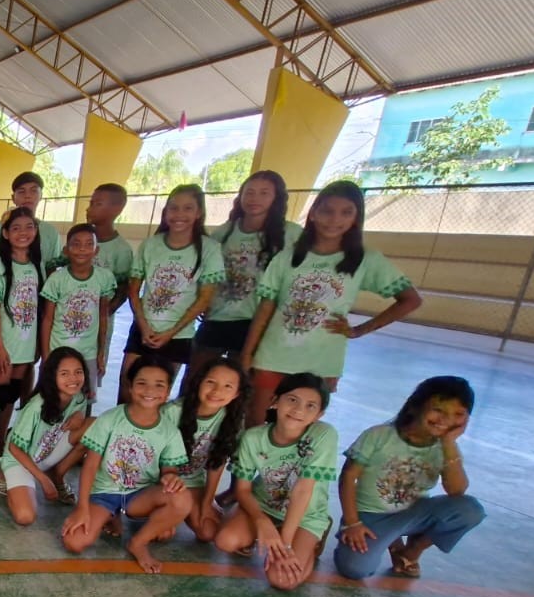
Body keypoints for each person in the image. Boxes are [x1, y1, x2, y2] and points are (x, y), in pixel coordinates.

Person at [241, 181, 423, 425]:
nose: (334, 219)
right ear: (314, 213)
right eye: (327, 210)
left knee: (298, 426)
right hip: (274, 355)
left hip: (321, 361)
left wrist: (359, 330)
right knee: (255, 421)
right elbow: (266, 309)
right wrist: (247, 354)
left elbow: (410, 300)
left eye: (346, 212)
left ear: (356, 217)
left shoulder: (365, 259)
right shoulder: (288, 256)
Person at [335, 376, 485, 580]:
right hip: (370, 517)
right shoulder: (379, 435)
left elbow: (457, 492)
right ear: (414, 407)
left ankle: (411, 551)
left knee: (470, 510)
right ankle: (392, 541)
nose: (446, 420)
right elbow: (348, 477)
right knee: (355, 569)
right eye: (438, 410)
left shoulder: (446, 448)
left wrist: (449, 443)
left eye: (458, 414)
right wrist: (352, 523)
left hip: (414, 513)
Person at [59, 356, 193, 573]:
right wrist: (82, 509)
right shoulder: (110, 419)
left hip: (140, 495)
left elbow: (169, 469)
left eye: (159, 385)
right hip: (103, 492)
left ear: (167, 392)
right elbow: (90, 466)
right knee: (74, 542)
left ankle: (138, 543)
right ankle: (110, 515)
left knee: (182, 499)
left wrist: (170, 477)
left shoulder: (170, 431)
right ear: (130, 387)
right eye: (142, 383)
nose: (149, 390)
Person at [213, 372, 339, 590]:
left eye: (311, 406)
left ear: (320, 414)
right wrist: (263, 522)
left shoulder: (323, 435)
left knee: (282, 581)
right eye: (292, 400)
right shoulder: (253, 437)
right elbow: (242, 489)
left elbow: (302, 491)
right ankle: (265, 533)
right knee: (226, 541)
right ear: (274, 401)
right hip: (263, 506)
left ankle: (311, 539)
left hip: (305, 515)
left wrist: (286, 545)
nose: (299, 410)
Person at [193, 171, 299, 376]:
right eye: (249, 192)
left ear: (276, 198)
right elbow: (205, 269)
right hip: (218, 318)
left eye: (264, 193)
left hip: (257, 324)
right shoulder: (224, 232)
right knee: (196, 379)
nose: (254, 199)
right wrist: (202, 300)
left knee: (239, 384)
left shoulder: (291, 234)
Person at [123, 184, 222, 399]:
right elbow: (133, 290)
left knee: (155, 396)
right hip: (143, 330)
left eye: (188, 208)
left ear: (199, 213)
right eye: (173, 208)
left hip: (177, 337)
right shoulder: (150, 245)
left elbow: (204, 299)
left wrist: (171, 332)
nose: (179, 214)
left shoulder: (209, 249)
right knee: (128, 390)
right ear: (165, 212)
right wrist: (143, 325)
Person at [1, 347, 93, 526]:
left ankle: (57, 475)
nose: (73, 379)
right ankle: (8, 476)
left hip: (48, 453)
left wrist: (81, 417)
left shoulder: (79, 397)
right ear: (52, 376)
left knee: (94, 425)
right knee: (25, 516)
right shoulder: (37, 406)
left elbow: (83, 422)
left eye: (78, 372)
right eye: (65, 373)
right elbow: (14, 448)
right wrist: (42, 480)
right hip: (20, 460)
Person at [160, 358, 248, 543]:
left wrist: (207, 503)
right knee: (162, 534)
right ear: (199, 382)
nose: (217, 391)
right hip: (161, 481)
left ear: (237, 393)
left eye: (227, 386)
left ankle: (194, 507)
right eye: (210, 382)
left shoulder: (231, 420)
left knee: (208, 533)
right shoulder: (173, 411)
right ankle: (169, 510)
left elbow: (217, 463)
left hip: (192, 483)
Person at [0, 207, 46, 446]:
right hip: (5, 344)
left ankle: (0, 436)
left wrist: (39, 344)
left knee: (12, 393)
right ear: (6, 234)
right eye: (16, 228)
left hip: (26, 343)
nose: (23, 232)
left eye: (29, 227)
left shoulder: (36, 266)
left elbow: (39, 309)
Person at [40, 224, 116, 397]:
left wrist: (101, 354)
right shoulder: (57, 279)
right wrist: (46, 356)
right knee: (53, 397)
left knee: (85, 399)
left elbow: (103, 317)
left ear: (96, 250)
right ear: (66, 250)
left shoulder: (104, 278)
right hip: (58, 349)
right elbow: (47, 319)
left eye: (89, 244)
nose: (82, 249)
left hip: (88, 352)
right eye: (76, 244)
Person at [0, 171, 61, 263]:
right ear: (13, 198)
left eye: (33, 190)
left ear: (41, 196)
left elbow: (54, 266)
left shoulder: (51, 232)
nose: (27, 196)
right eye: (21, 191)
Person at [86, 183, 133, 312]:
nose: (89, 209)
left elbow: (122, 292)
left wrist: (102, 318)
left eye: (97, 204)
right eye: (91, 203)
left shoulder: (121, 250)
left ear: (117, 209)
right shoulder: (80, 241)